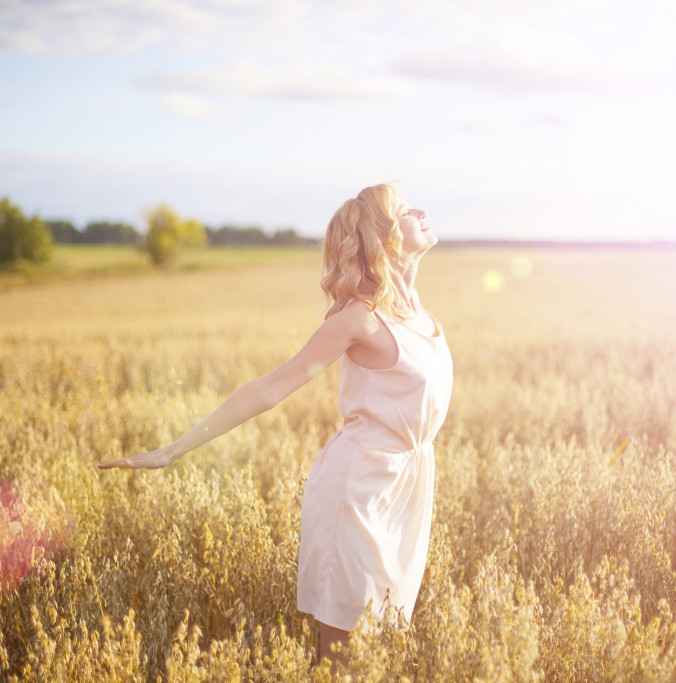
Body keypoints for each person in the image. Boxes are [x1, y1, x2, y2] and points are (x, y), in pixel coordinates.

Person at [97, 184, 453, 672]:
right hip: (358, 490)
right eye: (406, 209)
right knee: (341, 662)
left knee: (384, 648)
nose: (422, 210)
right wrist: (171, 451)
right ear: (385, 235)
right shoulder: (359, 320)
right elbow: (270, 388)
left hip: (406, 489)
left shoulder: (420, 314)